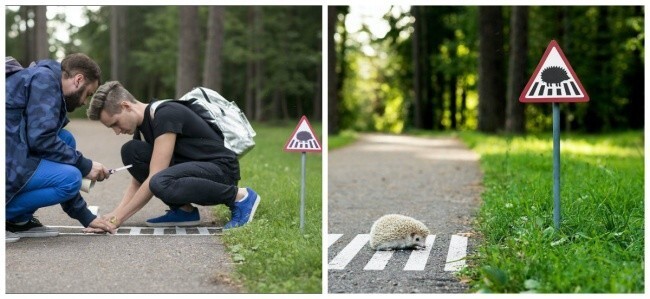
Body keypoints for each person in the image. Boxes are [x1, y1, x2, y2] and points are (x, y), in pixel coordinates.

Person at [86, 81, 261, 230]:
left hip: (220, 171)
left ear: (126, 106)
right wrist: (115, 214)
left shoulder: (165, 114)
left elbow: (155, 176)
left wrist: (118, 219)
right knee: (131, 151)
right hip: (194, 171)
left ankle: (241, 197)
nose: (116, 131)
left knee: (159, 181)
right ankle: (184, 211)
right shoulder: (141, 129)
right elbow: (138, 180)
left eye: (115, 123)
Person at [5, 53, 116, 243]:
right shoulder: (45, 81)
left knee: (65, 140)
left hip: (12, 150)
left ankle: (17, 220)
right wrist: (85, 166)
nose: (84, 102)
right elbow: (41, 139)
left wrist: (86, 217)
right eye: (88, 94)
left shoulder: (47, 80)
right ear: (78, 80)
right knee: (71, 178)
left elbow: (43, 140)